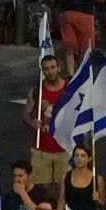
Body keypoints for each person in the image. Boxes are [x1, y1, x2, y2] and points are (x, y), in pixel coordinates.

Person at [22, 54, 70, 186]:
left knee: (64, 190)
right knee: (41, 191)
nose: (50, 72)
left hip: (65, 149)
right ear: (42, 71)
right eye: (46, 69)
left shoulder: (70, 90)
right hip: (41, 150)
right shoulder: (37, 91)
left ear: (59, 68)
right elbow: (26, 114)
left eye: (53, 67)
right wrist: (32, 122)